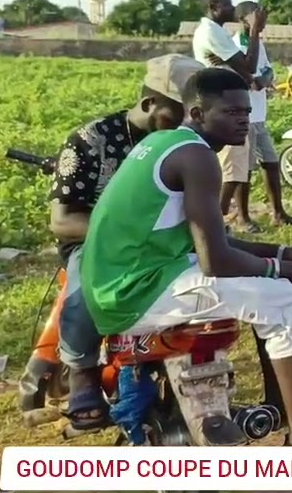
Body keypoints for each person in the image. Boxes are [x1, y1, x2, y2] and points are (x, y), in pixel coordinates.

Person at [80, 67, 292, 445]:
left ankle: (279, 408)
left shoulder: (165, 142)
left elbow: (209, 239)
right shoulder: (197, 157)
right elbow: (216, 261)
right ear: (196, 114)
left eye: (246, 111)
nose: (244, 120)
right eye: (231, 112)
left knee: (271, 288)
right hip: (137, 290)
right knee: (291, 304)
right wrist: (283, 270)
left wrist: (277, 253)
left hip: (131, 279)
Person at [49, 54, 202, 432]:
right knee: (89, 276)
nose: (184, 123)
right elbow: (63, 220)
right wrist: (128, 233)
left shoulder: (183, 144)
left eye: (192, 115)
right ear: (150, 103)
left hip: (168, 240)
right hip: (98, 243)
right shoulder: (91, 141)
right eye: (176, 113)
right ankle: (82, 372)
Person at [189, 0, 268, 223]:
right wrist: (255, 30)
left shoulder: (216, 31)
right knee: (231, 173)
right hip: (221, 106)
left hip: (225, 104)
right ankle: (215, 222)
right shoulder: (210, 32)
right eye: (227, 5)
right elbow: (249, 67)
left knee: (237, 171)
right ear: (214, 7)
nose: (232, 9)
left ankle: (218, 221)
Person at [229, 2, 292, 227]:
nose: (262, 18)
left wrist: (263, 80)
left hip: (259, 116)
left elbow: (268, 72)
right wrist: (257, 80)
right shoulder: (236, 45)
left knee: (271, 163)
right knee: (244, 170)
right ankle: (243, 217)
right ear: (243, 19)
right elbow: (244, 78)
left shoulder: (258, 44)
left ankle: (277, 212)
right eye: (256, 15)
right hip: (243, 116)